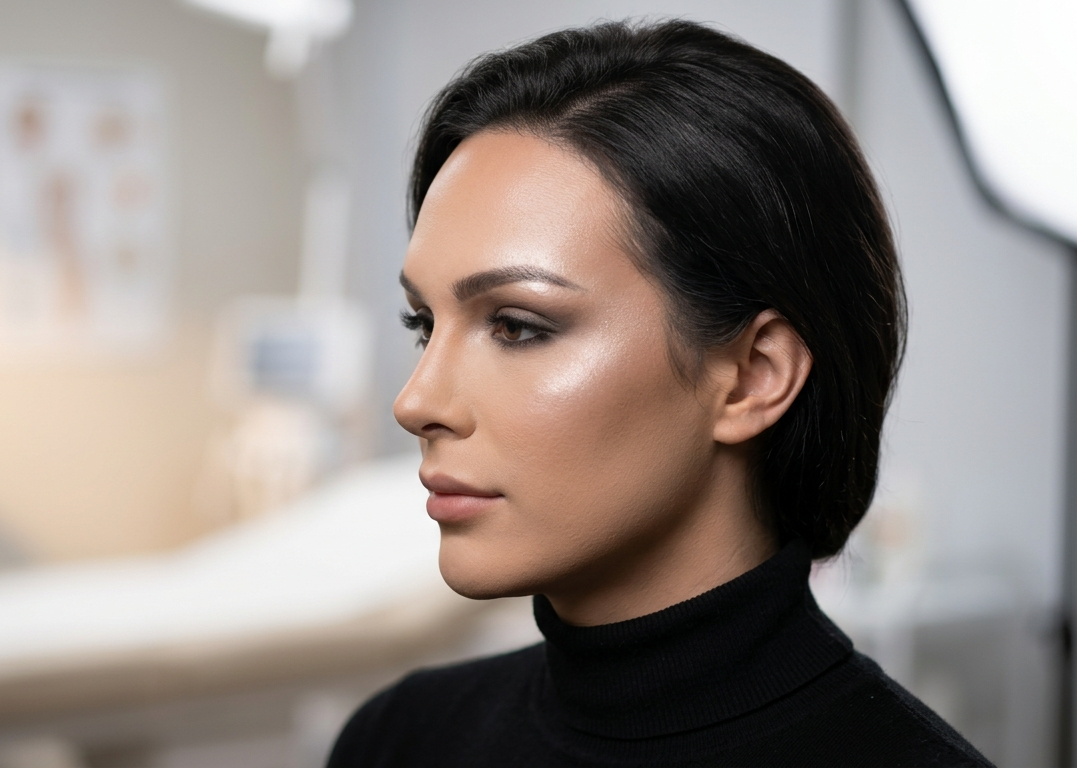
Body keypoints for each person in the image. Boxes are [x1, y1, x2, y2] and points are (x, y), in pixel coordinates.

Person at [328, 20, 991, 767]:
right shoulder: (400, 740)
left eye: (516, 326)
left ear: (753, 377)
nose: (415, 403)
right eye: (424, 325)